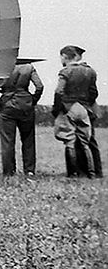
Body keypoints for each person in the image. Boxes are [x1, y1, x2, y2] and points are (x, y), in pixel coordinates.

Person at [52, 45, 100, 178]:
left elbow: (58, 91)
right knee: (85, 141)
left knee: (69, 141)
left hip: (69, 107)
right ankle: (91, 173)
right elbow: (93, 92)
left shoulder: (65, 71)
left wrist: (57, 109)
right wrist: (86, 104)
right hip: (84, 108)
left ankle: (73, 173)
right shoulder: (90, 71)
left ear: (64, 56)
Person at [0, 62, 44, 176]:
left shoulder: (0, 66)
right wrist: (33, 100)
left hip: (6, 105)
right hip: (26, 105)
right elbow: (39, 86)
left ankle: (9, 172)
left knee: (7, 141)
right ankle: (29, 170)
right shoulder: (29, 67)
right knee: (28, 140)